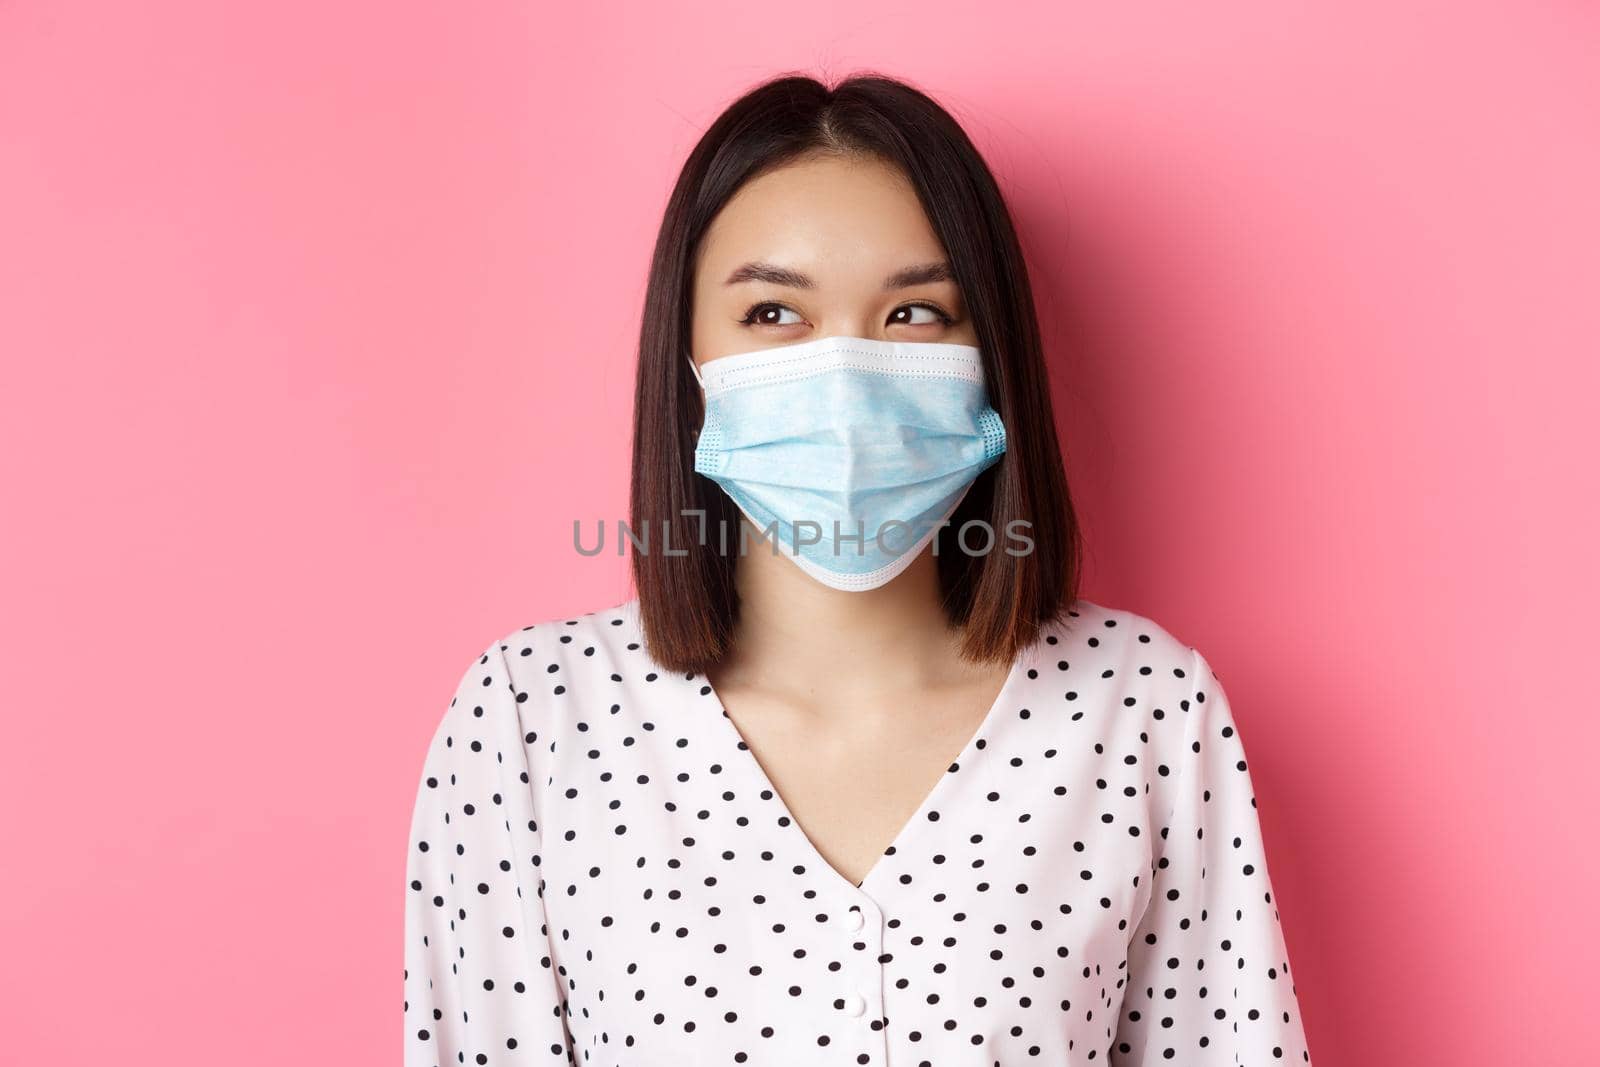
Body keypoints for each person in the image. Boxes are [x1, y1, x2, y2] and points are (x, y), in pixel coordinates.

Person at [403, 72, 1313, 1067]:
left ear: (989, 353)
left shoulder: (1143, 706)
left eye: (915, 314)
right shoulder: (532, 719)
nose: (844, 375)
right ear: (689, 358)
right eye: (773, 316)